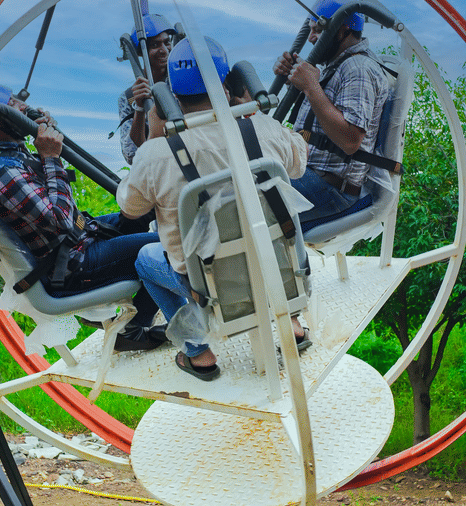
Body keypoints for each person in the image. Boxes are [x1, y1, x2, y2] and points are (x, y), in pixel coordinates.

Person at [116, 37, 309, 381]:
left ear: (172, 96)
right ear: (227, 84)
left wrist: (157, 127)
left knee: (145, 259)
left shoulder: (155, 155)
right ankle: (291, 323)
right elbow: (298, 165)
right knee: (264, 234)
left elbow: (131, 210)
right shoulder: (264, 129)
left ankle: (198, 354)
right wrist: (250, 110)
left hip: (210, 287)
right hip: (277, 268)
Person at [0, 83, 166, 352]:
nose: (23, 106)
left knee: (144, 213)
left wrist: (44, 136)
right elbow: (62, 221)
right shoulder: (1, 172)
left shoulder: (4, 151)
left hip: (75, 241)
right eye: (12, 105)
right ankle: (134, 327)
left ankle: (135, 316)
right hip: (72, 264)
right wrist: (51, 157)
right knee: (168, 246)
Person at [273, 0, 391, 232]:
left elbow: (350, 141)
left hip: (330, 190)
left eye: (317, 30)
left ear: (343, 30)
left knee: (244, 207)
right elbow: (315, 118)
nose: (311, 38)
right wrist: (294, 82)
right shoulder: (335, 66)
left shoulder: (358, 69)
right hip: (307, 174)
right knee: (236, 185)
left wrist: (310, 86)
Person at [117, 13, 176, 164]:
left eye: (166, 43)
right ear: (140, 53)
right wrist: (139, 108)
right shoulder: (129, 97)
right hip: (158, 165)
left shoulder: (181, 81)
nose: (164, 50)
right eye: (155, 45)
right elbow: (130, 154)